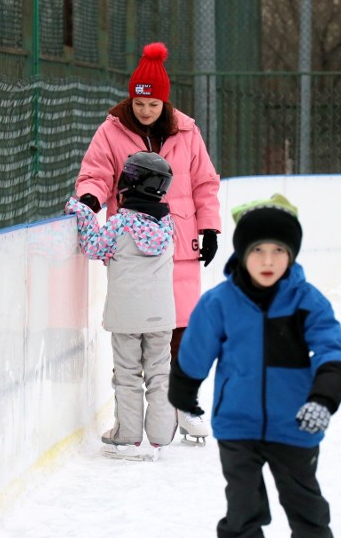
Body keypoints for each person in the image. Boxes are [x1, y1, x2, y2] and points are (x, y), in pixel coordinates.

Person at [168, 194, 341, 538]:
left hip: (295, 424)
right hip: (238, 425)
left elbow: (333, 353)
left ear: (292, 254)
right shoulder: (219, 303)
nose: (268, 260)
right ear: (241, 253)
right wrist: (183, 392)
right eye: (257, 250)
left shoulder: (307, 302)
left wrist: (322, 400)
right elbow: (195, 351)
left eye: (278, 250)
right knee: (243, 512)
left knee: (307, 510)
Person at [74, 41, 222, 442]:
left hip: (180, 244)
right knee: (137, 332)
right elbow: (96, 174)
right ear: (131, 98)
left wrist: (209, 227)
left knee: (180, 331)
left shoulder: (187, 132)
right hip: (133, 251)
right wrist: (90, 198)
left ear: (164, 101)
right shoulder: (111, 130)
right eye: (139, 104)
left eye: (152, 104)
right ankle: (134, 417)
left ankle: (184, 405)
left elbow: (205, 183)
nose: (144, 111)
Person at [65, 151, 177, 460]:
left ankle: (127, 434)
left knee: (128, 374)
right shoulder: (168, 227)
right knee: (159, 372)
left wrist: (83, 213)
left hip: (126, 316)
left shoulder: (119, 225)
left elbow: (93, 247)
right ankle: (160, 432)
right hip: (161, 316)